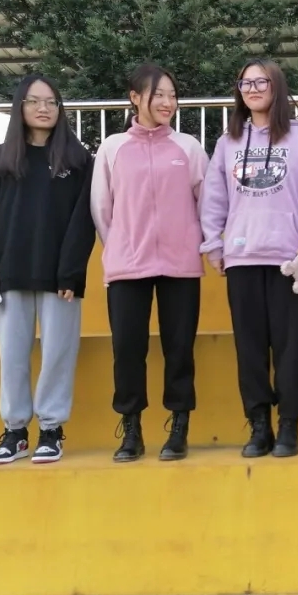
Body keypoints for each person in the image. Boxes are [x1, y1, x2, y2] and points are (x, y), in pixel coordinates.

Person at [201, 59, 298, 459]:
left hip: (291, 260)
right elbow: (214, 200)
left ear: (277, 87)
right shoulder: (227, 143)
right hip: (241, 258)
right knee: (250, 348)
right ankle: (259, 424)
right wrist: (213, 245)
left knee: (291, 347)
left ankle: (289, 424)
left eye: (261, 82)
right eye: (245, 83)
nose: (253, 89)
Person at [0, 74, 96, 465]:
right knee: (12, 355)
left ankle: (51, 429)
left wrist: (71, 272)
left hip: (59, 277)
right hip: (9, 273)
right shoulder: (0, 159)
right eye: (33, 101)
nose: (43, 108)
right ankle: (15, 432)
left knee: (59, 352)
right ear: (20, 107)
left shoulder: (78, 160)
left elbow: (83, 222)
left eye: (51, 102)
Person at [91, 63, 209, 463]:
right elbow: (102, 207)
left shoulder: (188, 147)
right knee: (127, 349)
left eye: (172, 95)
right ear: (135, 98)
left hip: (181, 264)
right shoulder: (112, 148)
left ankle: (179, 427)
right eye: (158, 94)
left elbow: (206, 202)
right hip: (127, 265)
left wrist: (196, 243)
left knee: (180, 348)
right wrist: (119, 246)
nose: (167, 102)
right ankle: (131, 429)